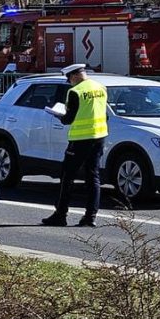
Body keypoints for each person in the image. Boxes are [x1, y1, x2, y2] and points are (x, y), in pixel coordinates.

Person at [41, 64, 108, 227]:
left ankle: (60, 215)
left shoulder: (75, 92)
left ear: (74, 76)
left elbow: (68, 119)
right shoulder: (101, 87)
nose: (69, 82)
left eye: (69, 79)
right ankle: (90, 217)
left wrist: (58, 115)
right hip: (99, 137)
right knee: (93, 177)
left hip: (80, 140)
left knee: (67, 177)